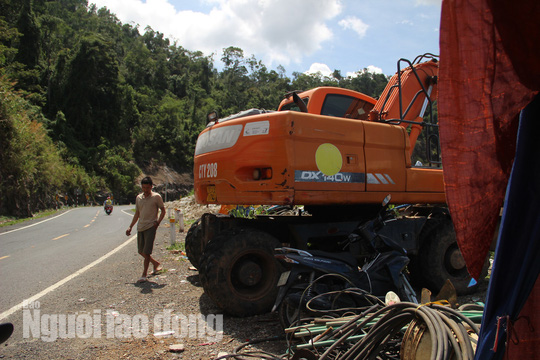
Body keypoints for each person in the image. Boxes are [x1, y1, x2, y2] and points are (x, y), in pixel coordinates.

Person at [126, 176, 166, 283]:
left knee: (147, 252)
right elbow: (137, 213)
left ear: (151, 187)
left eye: (147, 188)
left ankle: (144, 274)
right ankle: (155, 263)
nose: (145, 190)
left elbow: (163, 210)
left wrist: (157, 222)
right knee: (141, 251)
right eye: (143, 188)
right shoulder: (139, 198)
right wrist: (130, 226)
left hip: (150, 227)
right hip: (141, 227)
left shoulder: (156, 197)